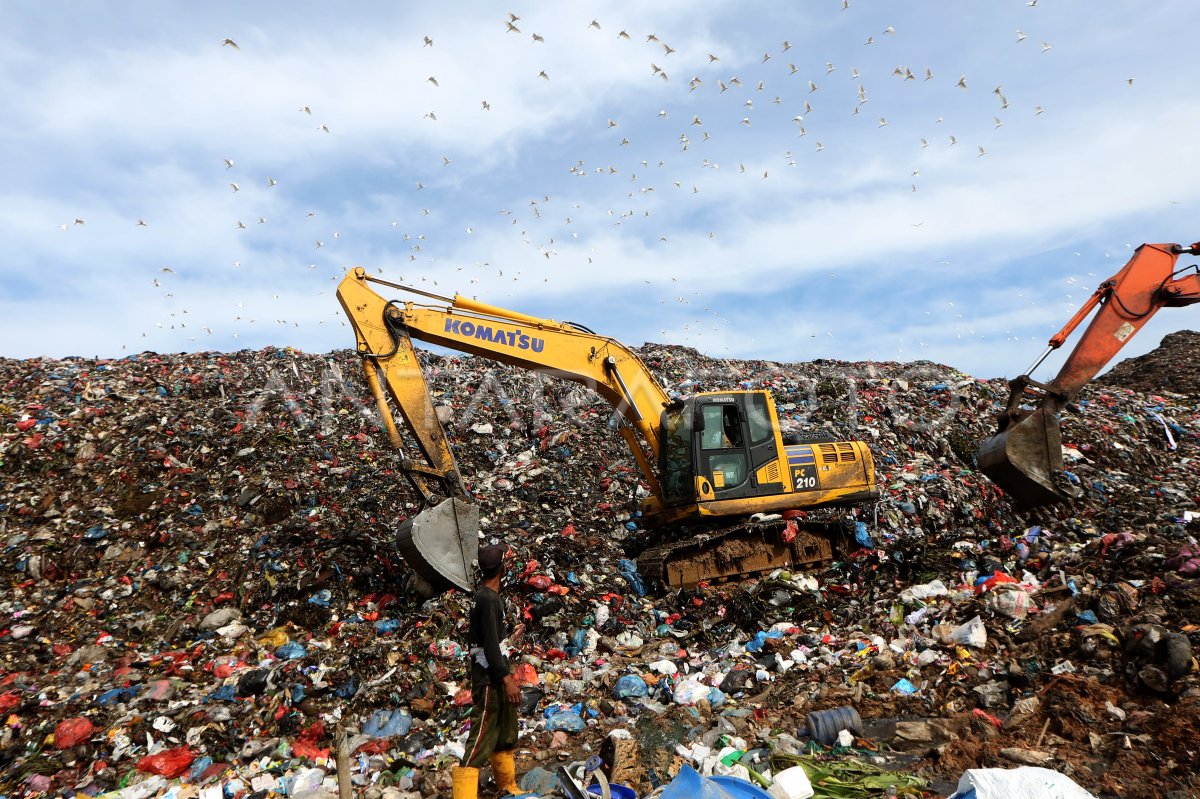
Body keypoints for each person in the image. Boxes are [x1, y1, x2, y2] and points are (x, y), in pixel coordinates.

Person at [453, 543, 521, 799]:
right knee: (481, 738)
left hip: (497, 677)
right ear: (502, 568)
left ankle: (508, 788)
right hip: (490, 680)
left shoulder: (486, 597)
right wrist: (506, 680)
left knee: (505, 733)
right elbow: (491, 645)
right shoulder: (487, 600)